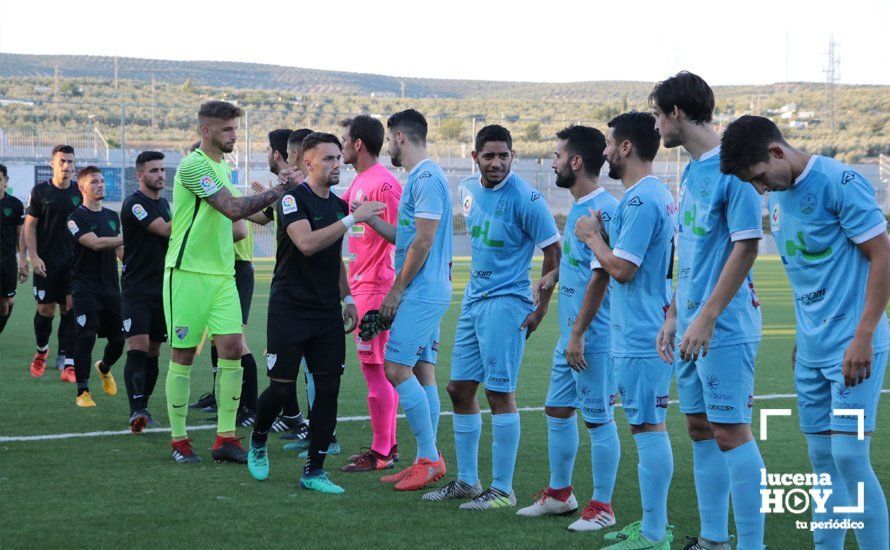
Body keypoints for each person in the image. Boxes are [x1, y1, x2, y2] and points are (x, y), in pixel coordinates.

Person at [721, 115, 890, 550]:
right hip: (812, 352)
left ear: (777, 152)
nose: (761, 189)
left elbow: (882, 255)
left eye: (760, 177)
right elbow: (812, 276)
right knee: (821, 461)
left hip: (854, 348)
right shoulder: (778, 197)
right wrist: (805, 335)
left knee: (850, 456)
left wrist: (864, 335)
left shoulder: (839, 181)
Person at [648, 72, 766, 550]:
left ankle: (752, 545)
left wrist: (708, 316)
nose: (656, 126)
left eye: (658, 115)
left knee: (731, 430)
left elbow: (746, 246)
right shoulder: (692, 169)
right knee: (700, 428)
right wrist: (677, 312)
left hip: (724, 326)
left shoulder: (732, 167)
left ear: (677, 112)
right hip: (692, 323)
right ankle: (714, 539)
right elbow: (693, 249)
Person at [423, 125, 561, 510]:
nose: (497, 163)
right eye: (489, 156)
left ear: (512, 156)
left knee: (500, 393)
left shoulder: (527, 199)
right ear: (475, 158)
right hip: (473, 299)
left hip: (507, 302)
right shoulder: (467, 188)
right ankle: (468, 482)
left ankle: (502, 489)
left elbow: (554, 252)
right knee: (459, 390)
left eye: (504, 155)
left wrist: (541, 306)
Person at [245, 132, 384, 494]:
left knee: (328, 389)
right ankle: (258, 441)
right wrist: (354, 219)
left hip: (326, 312)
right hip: (289, 309)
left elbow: (332, 254)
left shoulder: (338, 206)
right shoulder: (292, 201)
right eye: (328, 159)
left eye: (339, 157)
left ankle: (315, 470)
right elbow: (307, 244)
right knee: (280, 389)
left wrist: (348, 298)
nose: (337, 164)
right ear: (307, 163)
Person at [163, 100, 291, 464]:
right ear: (206, 131)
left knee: (233, 348)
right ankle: (179, 441)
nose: (234, 135)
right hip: (187, 274)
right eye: (227, 129)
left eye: (235, 128)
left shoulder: (222, 168)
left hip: (222, 275)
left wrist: (272, 197)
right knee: (184, 356)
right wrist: (277, 190)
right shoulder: (193, 166)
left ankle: (225, 438)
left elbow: (236, 223)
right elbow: (233, 209)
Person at [575, 112, 676, 549]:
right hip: (645, 325)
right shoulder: (655, 194)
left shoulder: (639, 201)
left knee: (648, 427)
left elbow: (623, 270)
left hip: (641, 331)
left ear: (627, 148)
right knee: (647, 425)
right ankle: (653, 527)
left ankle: (654, 532)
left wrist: (592, 238)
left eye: (611, 144)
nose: (606, 152)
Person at [515, 125, 621, 531]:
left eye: (558, 155)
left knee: (597, 419)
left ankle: (603, 506)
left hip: (591, 334)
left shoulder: (603, 209)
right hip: (571, 332)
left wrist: (578, 333)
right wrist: (553, 275)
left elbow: (603, 275)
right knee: (557, 410)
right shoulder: (579, 206)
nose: (554, 161)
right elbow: (583, 262)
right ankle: (560, 495)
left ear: (576, 162)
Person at [360, 109, 452, 491]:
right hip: (427, 288)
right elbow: (408, 236)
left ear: (399, 137)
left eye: (388, 140)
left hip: (422, 291)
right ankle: (424, 459)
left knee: (396, 370)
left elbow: (425, 240)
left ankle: (430, 459)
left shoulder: (426, 176)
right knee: (422, 371)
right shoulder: (421, 177)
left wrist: (396, 290)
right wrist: (368, 220)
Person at [338, 115, 403, 472]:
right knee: (376, 371)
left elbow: (402, 235)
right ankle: (388, 448)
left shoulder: (385, 185)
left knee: (376, 372)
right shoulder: (361, 181)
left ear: (358, 144)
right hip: (362, 284)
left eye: (344, 140)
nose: (342, 146)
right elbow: (337, 209)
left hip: (377, 288)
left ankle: (380, 453)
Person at [120, 151, 172, 432]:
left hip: (161, 289)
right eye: (154, 170)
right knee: (137, 348)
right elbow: (164, 230)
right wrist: (198, 213)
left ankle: (145, 407)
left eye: (163, 170)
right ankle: (135, 409)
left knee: (153, 351)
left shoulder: (164, 203)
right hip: (136, 289)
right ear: (140, 175)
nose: (160, 175)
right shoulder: (134, 204)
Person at [65, 166, 125, 407]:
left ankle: (104, 367)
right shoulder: (74, 219)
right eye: (94, 182)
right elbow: (96, 244)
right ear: (82, 188)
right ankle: (83, 392)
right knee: (87, 335)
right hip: (84, 287)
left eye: (101, 181)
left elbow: (121, 252)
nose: (100, 185)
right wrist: (134, 236)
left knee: (119, 340)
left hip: (111, 288)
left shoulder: (112, 216)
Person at [24, 145, 82, 380]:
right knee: (45, 310)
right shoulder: (40, 191)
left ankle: (66, 358)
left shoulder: (80, 192)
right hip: (46, 262)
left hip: (73, 263)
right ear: (52, 163)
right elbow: (30, 226)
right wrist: (33, 257)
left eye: (70, 162)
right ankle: (41, 352)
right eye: (62, 161)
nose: (67, 166)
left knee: (69, 307)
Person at [0, 164, 26, 333]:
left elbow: (21, 236)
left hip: (6, 263)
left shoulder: (15, 205)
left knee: (6, 305)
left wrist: (23, 261)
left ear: (5, 182)